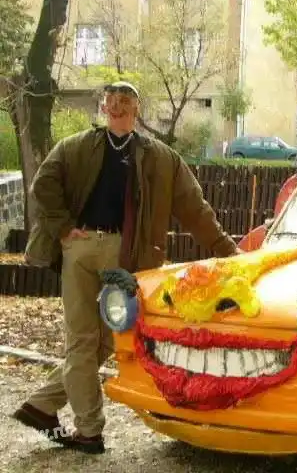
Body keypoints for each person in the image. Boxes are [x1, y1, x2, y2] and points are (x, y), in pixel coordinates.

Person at [12, 81, 241, 454]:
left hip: (129, 257)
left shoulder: (162, 158)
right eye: (111, 101)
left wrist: (227, 250)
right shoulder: (74, 146)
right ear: (104, 107)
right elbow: (43, 184)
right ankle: (89, 431)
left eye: (124, 101)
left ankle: (42, 404)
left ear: (137, 109)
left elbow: (194, 208)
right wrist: (64, 227)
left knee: (110, 338)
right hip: (81, 250)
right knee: (83, 339)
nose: (116, 106)